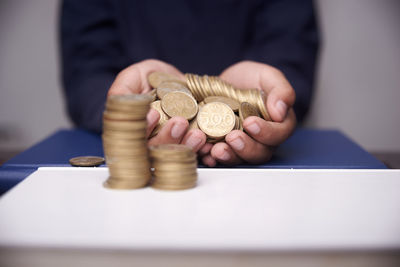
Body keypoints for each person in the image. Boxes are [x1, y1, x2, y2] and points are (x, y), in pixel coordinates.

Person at [60, 0, 319, 167]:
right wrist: (121, 113)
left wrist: (273, 98)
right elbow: (86, 67)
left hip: (257, 145)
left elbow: (291, 45)